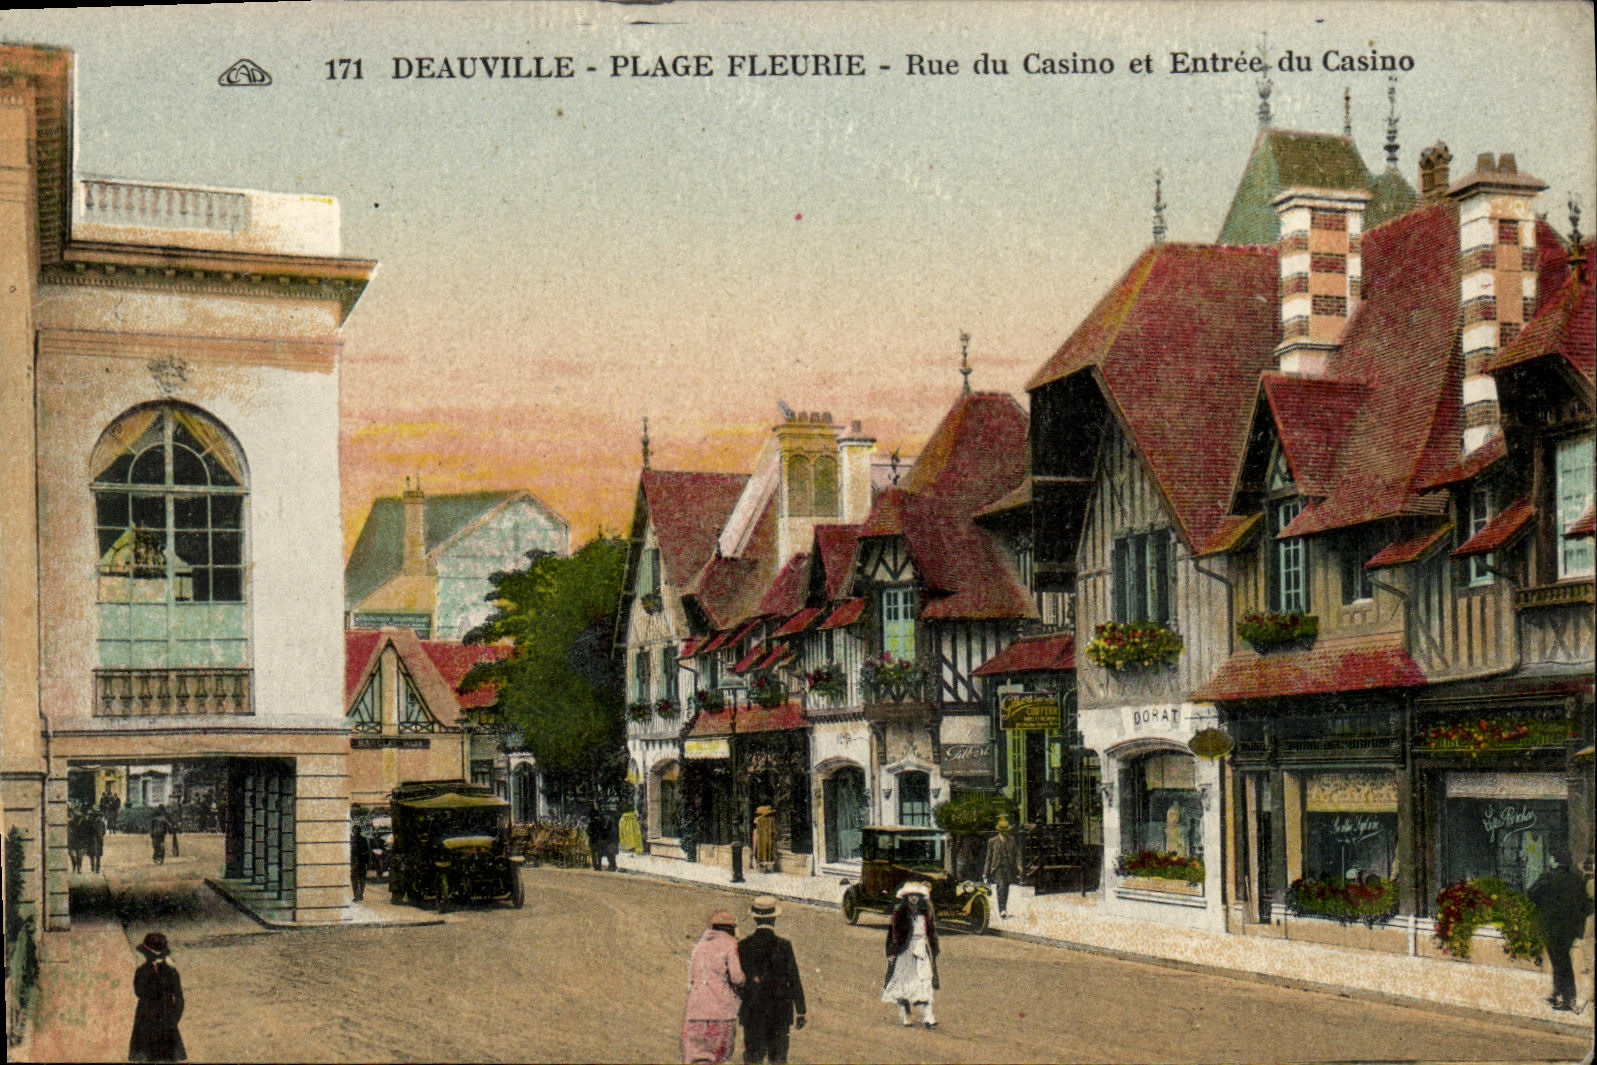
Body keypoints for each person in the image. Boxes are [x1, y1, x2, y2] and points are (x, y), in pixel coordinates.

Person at [737, 896, 807, 1065]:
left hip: (753, 1011)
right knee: (778, 1059)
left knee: (753, 1058)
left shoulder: (743, 946)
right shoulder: (784, 946)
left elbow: (738, 982)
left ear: (755, 918)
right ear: (774, 919)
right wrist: (801, 1011)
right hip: (780, 1012)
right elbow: (794, 980)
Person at [1528, 848, 1594, 1012]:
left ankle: (1567, 998)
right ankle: (1559, 993)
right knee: (1562, 959)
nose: (1550, 860)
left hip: (1552, 926)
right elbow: (1585, 905)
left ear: (1556, 861)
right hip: (1569, 928)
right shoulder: (1576, 880)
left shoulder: (1548, 878)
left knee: (1560, 962)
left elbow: (1531, 893)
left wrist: (1545, 905)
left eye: (1552, 858)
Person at [682, 909, 745, 1064]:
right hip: (721, 1014)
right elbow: (737, 978)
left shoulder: (699, 947)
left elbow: (693, 976)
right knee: (718, 1059)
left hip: (695, 1012)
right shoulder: (730, 945)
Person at [882, 882, 940, 1030]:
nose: (913, 898)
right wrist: (893, 952)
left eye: (916, 895)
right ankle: (907, 1013)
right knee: (904, 983)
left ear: (920, 897)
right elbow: (894, 934)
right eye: (910, 895)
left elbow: (931, 932)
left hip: (921, 950)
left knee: (925, 981)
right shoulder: (900, 913)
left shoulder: (925, 913)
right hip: (905, 950)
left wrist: (934, 948)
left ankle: (928, 1016)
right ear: (906, 897)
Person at [128, 931, 186, 1062]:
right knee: (168, 1055)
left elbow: (138, 992)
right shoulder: (171, 970)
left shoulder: (142, 970)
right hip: (167, 1018)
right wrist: (174, 1018)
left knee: (147, 1054)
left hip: (146, 1019)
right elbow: (179, 998)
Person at [984, 817, 1022, 919]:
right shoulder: (992, 841)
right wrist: (986, 872)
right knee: (1001, 886)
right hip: (997, 868)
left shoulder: (1011, 840)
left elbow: (1017, 854)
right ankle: (1002, 910)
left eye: (1006, 830)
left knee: (1006, 887)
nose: (1004, 832)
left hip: (1008, 867)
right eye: (1002, 830)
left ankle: (1003, 907)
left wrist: (1019, 865)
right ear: (999, 830)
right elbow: (988, 858)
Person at [350, 820, 371, 902]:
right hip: (359, 863)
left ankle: (358, 895)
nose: (355, 832)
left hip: (357, 863)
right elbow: (367, 852)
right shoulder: (362, 839)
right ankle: (359, 895)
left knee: (356, 879)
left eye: (356, 830)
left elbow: (367, 852)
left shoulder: (352, 840)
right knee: (359, 879)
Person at [752, 805, 778, 872]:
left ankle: (763, 868)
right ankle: (769, 867)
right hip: (769, 838)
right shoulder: (772, 819)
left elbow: (756, 829)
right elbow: (774, 830)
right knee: (769, 851)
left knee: (761, 851)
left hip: (761, 838)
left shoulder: (758, 819)